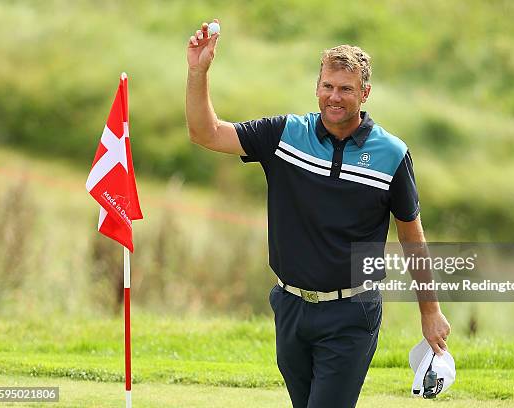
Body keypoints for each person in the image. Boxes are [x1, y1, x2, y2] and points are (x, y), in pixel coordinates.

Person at [185, 20, 451, 408]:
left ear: (365, 93)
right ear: (316, 87)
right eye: (327, 86)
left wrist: (431, 312)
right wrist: (198, 72)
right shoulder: (285, 135)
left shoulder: (391, 155)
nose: (334, 96)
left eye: (346, 88)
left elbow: (413, 237)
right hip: (290, 307)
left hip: (351, 312)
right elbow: (204, 132)